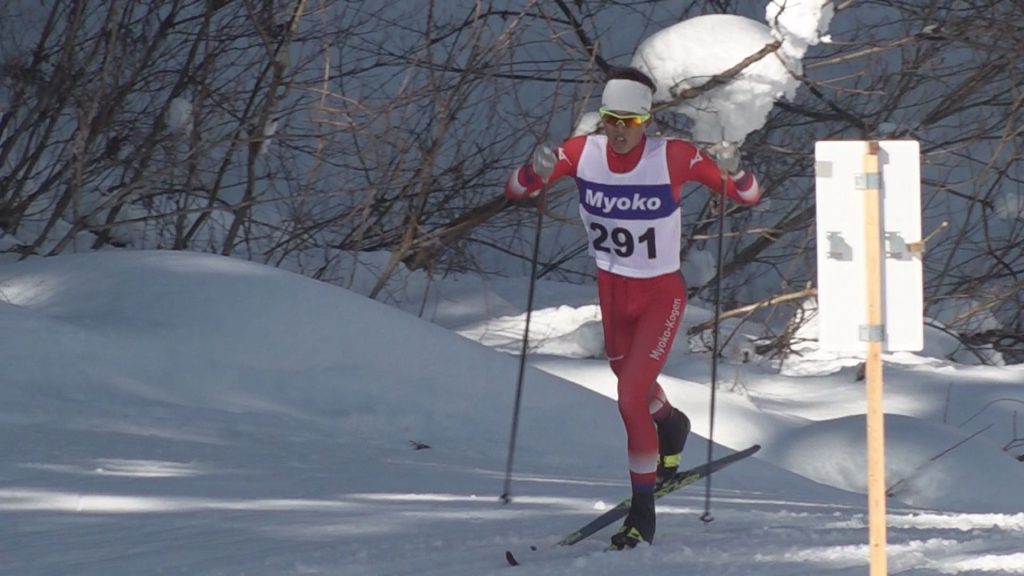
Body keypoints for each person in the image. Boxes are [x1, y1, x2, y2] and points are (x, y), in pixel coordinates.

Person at [503, 67, 762, 550]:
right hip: (612, 294)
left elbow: (748, 195)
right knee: (637, 390)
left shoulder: (674, 157)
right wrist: (533, 170)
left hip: (660, 295)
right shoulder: (582, 153)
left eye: (630, 120)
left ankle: (642, 515)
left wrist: (735, 167)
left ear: (647, 120)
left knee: (628, 395)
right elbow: (517, 192)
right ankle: (672, 423)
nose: (620, 130)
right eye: (610, 119)